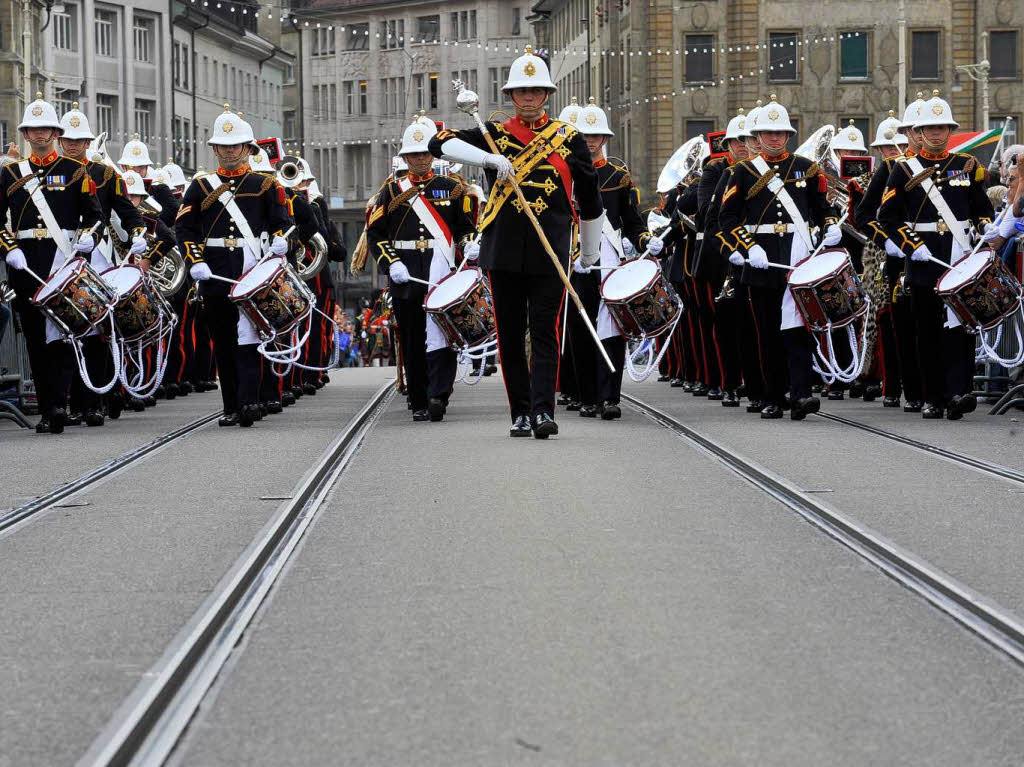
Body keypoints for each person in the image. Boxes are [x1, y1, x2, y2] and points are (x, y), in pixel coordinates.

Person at [429, 46, 604, 438]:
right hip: (503, 247)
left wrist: (589, 252)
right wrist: (488, 160)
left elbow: (590, 196)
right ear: (510, 96)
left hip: (551, 249)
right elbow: (437, 144)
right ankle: (520, 412)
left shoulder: (569, 138)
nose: (528, 98)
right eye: (521, 92)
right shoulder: (493, 134)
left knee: (545, 331)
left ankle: (543, 410)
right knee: (509, 334)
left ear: (546, 95)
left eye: (535, 91)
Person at [718, 95, 836, 420]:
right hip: (763, 261)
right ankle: (772, 396)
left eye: (780, 132)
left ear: (787, 135)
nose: (774, 138)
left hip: (798, 257)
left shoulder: (805, 168)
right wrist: (747, 246)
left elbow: (822, 208)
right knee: (768, 333)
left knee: (798, 329)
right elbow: (726, 218)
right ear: (757, 137)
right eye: (768, 133)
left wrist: (828, 228)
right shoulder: (742, 172)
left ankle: (801, 394)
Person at [878, 91, 994, 420]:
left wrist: (983, 229)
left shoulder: (968, 166)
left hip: (958, 258)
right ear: (920, 131)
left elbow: (982, 210)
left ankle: (959, 391)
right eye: (930, 128)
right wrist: (912, 245)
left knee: (960, 329)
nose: (937, 133)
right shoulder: (902, 170)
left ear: (950, 130)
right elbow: (888, 217)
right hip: (923, 260)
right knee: (927, 331)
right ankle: (933, 397)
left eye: (943, 128)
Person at [175, 106, 290, 427]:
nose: (228, 151)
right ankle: (231, 406)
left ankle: (250, 401)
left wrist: (282, 241)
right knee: (224, 343)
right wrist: (194, 261)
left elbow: (282, 222)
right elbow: (184, 229)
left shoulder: (265, 185)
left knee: (251, 339)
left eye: (234, 146)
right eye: (223, 146)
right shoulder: (199, 187)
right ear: (214, 149)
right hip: (213, 274)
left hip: (252, 273)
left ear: (247, 149)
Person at [1, 93, 103, 433]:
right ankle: (48, 408)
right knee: (34, 339)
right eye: (34, 129)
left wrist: (88, 239)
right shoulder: (10, 173)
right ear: (26, 134)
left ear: (56, 133)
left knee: (63, 337)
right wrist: (8, 248)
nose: (41, 135)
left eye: (46, 129)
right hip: (26, 263)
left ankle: (61, 404)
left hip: (64, 262)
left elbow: (95, 217)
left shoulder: (76, 171)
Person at [367, 115, 476, 421]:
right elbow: (375, 234)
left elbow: (465, 227)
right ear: (405, 157)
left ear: (434, 155)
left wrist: (469, 244)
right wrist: (392, 263)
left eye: (425, 153)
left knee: (444, 335)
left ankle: (439, 394)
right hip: (406, 273)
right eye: (414, 154)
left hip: (441, 271)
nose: (420, 159)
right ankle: (418, 399)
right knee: (413, 338)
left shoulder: (452, 189)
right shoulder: (390, 192)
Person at [58, 102, 148, 424]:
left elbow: (128, 212)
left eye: (78, 139)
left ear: (87, 142)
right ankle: (73, 401)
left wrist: (138, 234)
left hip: (99, 257)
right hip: (63, 255)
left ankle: (98, 396)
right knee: (68, 331)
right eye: (67, 138)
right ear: (59, 140)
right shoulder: (52, 172)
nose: (72, 144)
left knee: (98, 330)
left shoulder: (106, 173)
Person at [573, 97, 656, 420]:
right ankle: (587, 396)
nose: (590, 141)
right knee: (583, 331)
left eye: (595, 136)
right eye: (584, 136)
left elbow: (632, 221)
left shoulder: (618, 175)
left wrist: (646, 239)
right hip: (577, 260)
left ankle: (610, 396)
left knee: (612, 329)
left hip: (610, 260)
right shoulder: (564, 174)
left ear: (605, 139)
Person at [854, 109, 921, 411]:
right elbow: (864, 214)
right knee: (894, 320)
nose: (922, 137)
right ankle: (893, 385)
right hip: (893, 254)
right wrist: (889, 241)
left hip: (933, 252)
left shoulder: (950, 165)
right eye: (917, 132)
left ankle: (932, 387)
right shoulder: (891, 168)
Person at [695, 108, 752, 408]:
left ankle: (756, 382)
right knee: (727, 325)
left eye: (747, 139)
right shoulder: (715, 171)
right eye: (737, 141)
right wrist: (729, 175)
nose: (743, 146)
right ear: (727, 145)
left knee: (755, 324)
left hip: (758, 254)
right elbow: (707, 213)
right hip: (722, 257)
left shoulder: (762, 172)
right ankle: (728, 382)